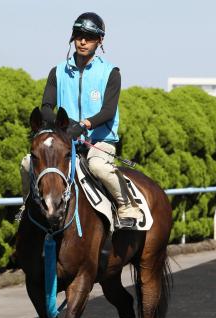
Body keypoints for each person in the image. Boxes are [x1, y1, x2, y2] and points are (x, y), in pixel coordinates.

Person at [19, 12, 143, 229]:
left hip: (98, 141)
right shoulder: (57, 72)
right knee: (27, 163)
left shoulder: (111, 73)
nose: (83, 41)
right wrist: (63, 127)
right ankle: (27, 204)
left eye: (89, 37)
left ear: (100, 41)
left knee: (98, 166)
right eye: (78, 35)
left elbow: (108, 111)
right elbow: (46, 107)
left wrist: (83, 124)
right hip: (65, 141)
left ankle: (127, 206)